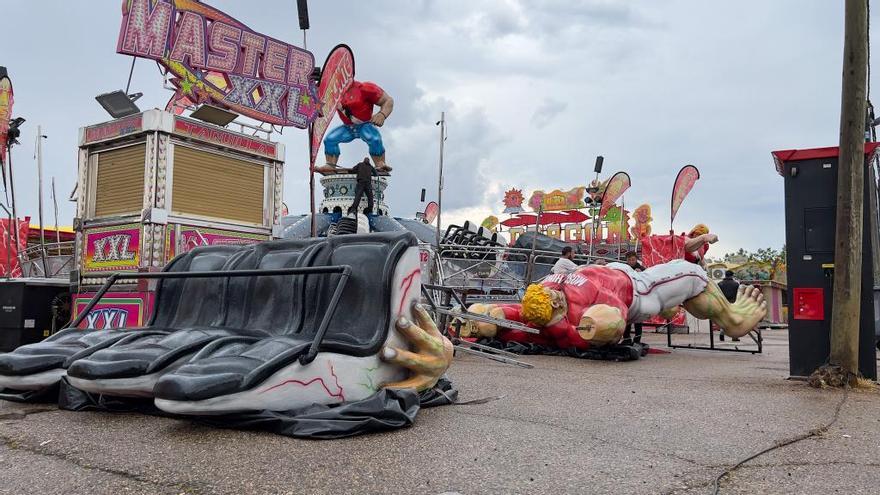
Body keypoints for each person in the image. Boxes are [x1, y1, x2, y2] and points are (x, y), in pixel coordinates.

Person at [463, 258, 767, 349]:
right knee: (692, 273)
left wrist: (490, 317)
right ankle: (733, 321)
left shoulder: (549, 300)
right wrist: (493, 319)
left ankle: (727, 317)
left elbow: (519, 321)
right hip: (637, 289)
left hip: (621, 275)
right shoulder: (551, 300)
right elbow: (602, 327)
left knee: (688, 274)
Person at [317, 80, 394, 174]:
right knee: (330, 140)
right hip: (348, 127)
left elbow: (388, 100)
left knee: (374, 139)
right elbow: (319, 106)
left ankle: (380, 163)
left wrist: (382, 114)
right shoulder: (332, 93)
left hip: (364, 125)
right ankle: (330, 164)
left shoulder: (365, 88)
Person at [717, 270, 741, 341]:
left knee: (724, 319)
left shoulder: (719, 284)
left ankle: (722, 332)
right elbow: (738, 294)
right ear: (732, 275)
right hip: (733, 304)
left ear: (725, 275)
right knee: (734, 320)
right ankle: (734, 337)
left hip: (722, 304)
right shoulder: (736, 284)